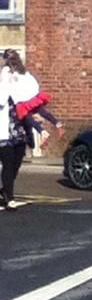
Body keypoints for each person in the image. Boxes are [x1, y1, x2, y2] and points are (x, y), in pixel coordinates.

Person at [1, 49, 65, 146]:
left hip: (21, 98)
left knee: (26, 116)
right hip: (31, 94)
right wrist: (34, 92)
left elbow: (5, 87)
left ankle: (42, 132)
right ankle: (57, 124)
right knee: (40, 110)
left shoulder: (6, 71)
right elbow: (32, 81)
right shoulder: (22, 69)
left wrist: (2, 101)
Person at [0, 75, 27, 212]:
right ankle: (9, 198)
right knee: (8, 165)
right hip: (3, 136)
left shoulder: (17, 92)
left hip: (18, 133)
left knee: (16, 164)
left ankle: (5, 188)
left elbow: (28, 109)